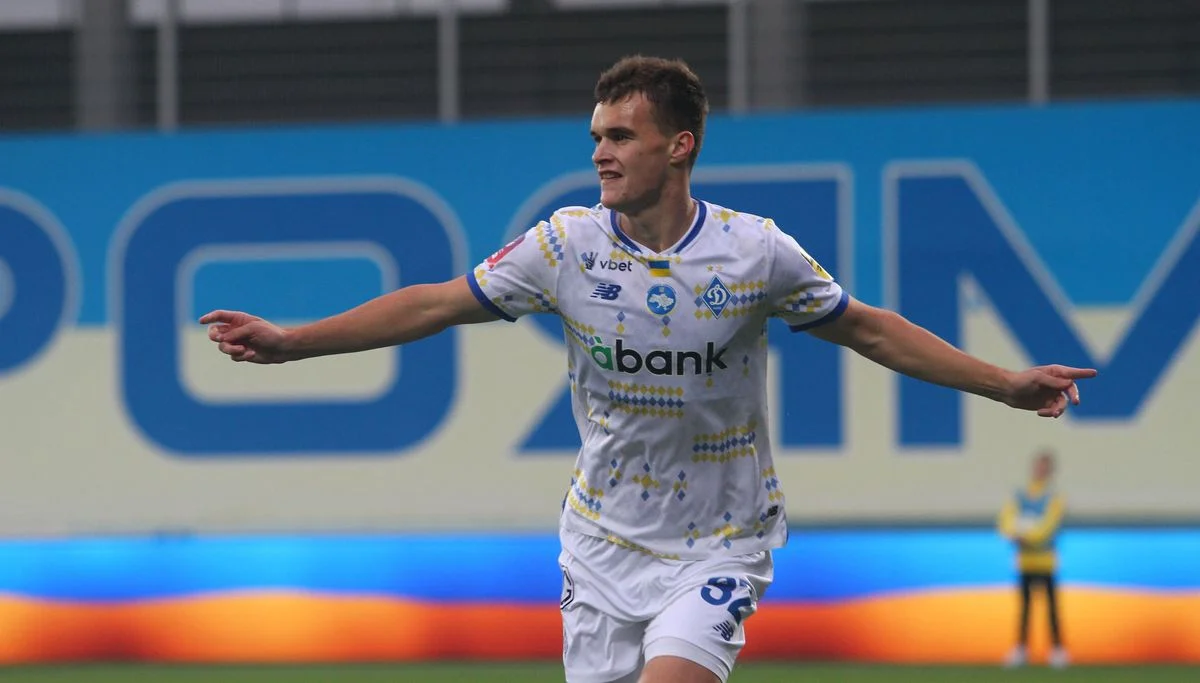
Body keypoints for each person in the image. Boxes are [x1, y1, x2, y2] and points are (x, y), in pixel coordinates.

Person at [200, 56, 1096, 683]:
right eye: (597, 135)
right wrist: (294, 340)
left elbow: (869, 330)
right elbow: (434, 304)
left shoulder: (756, 252)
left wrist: (1005, 384)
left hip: (720, 542)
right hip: (600, 543)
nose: (601, 152)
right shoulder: (564, 246)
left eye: (623, 135)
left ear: (680, 145)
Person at [998, 449, 1068, 669]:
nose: (1040, 470)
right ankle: (1021, 649)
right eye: (1038, 466)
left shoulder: (1054, 497)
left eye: (1044, 467)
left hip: (1046, 560)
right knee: (1025, 608)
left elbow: (1050, 525)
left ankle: (1057, 649)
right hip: (1025, 561)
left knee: (1051, 607)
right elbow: (1005, 519)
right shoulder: (1020, 495)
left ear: (1051, 471)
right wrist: (1013, 534)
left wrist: (1028, 537)